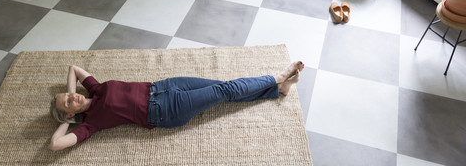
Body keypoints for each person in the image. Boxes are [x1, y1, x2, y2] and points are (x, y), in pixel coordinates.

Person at [49, 61, 305, 151]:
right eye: (69, 103)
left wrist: (71, 94)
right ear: (71, 114)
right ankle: (278, 77)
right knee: (223, 91)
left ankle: (277, 90)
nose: (73, 98)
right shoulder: (92, 122)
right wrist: (67, 120)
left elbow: (73, 68)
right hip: (166, 110)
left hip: (164, 86)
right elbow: (55, 145)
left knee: (224, 88)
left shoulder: (95, 88)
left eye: (69, 95)